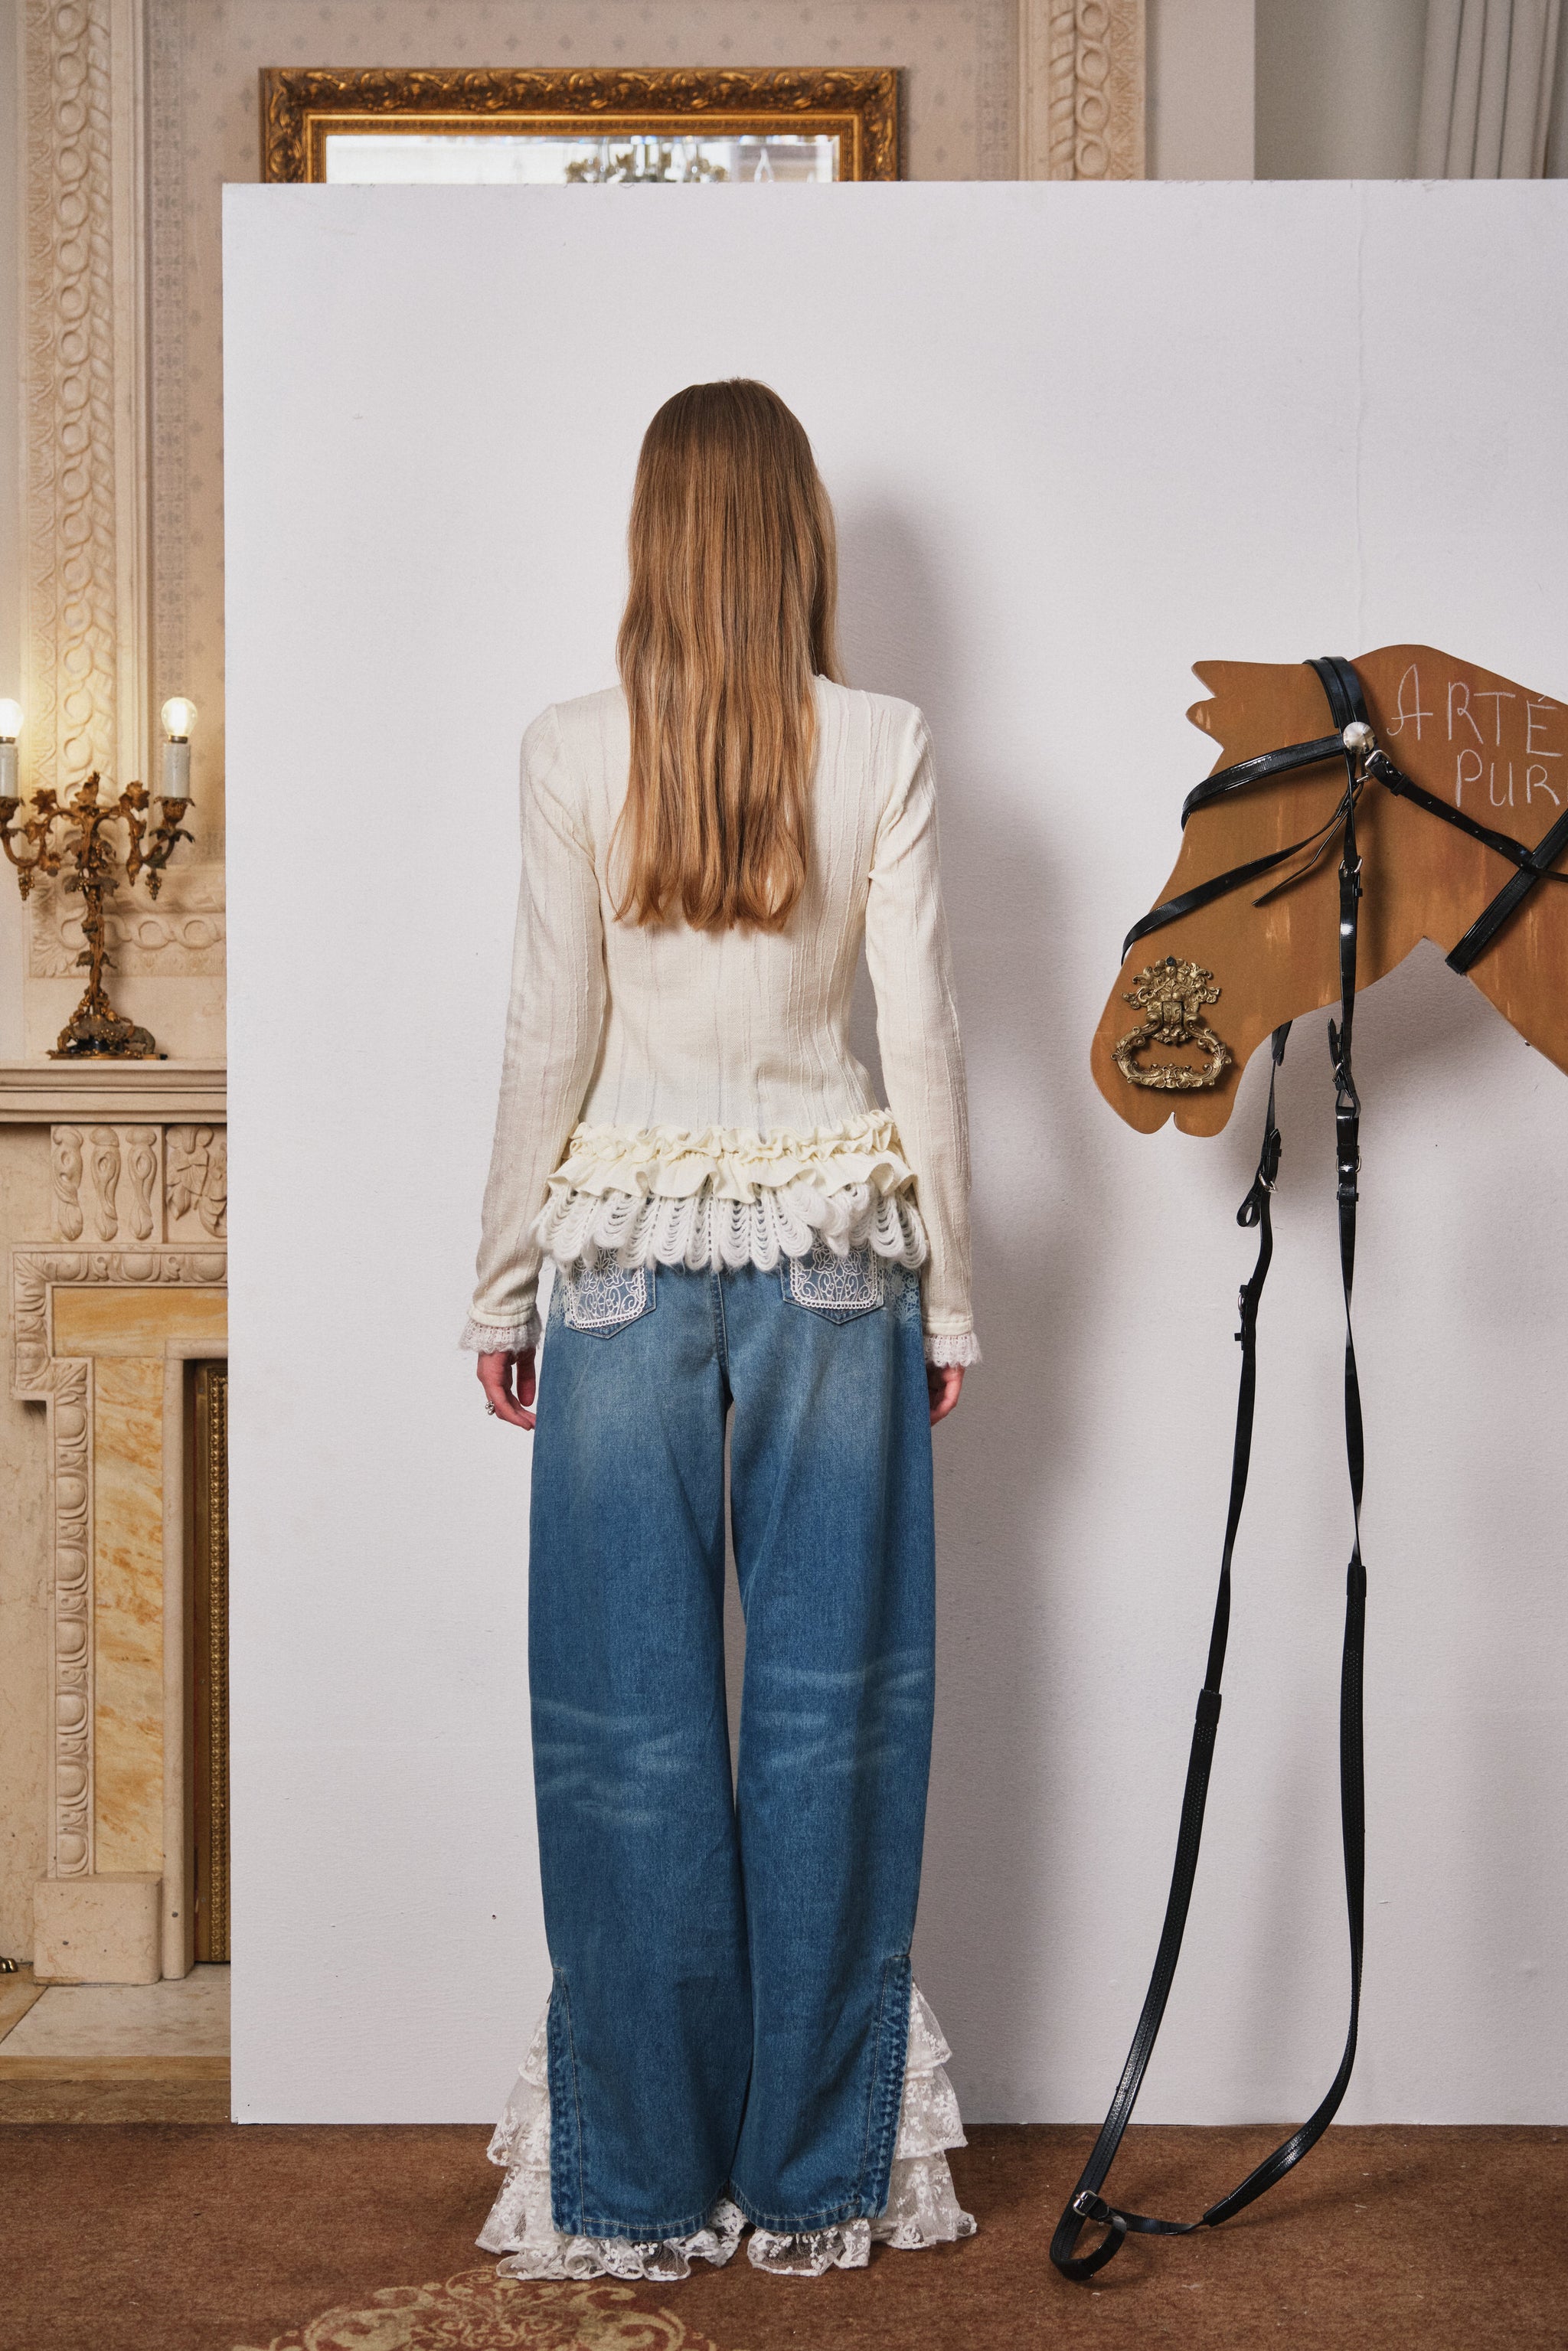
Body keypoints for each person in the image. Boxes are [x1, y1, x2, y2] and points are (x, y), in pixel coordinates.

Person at [462, 378, 980, 2283]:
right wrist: (953, 1292)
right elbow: (921, 1036)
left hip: (615, 1251)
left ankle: (638, 2183)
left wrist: (502, 1283)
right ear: (799, 537)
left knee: (626, 1730)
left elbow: (548, 1034)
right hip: (836, 1248)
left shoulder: (569, 748)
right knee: (836, 1720)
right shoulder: (884, 742)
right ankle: (822, 2172)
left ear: (653, 537)